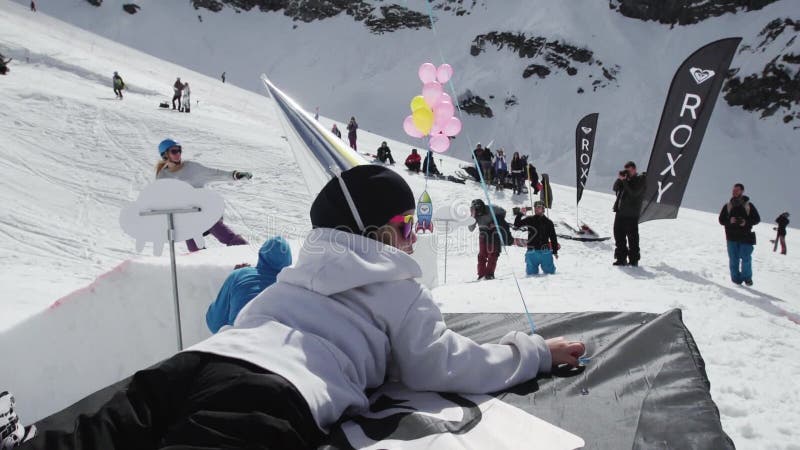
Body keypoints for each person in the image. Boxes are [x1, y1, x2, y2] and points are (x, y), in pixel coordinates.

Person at [11, 165, 585, 450]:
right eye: (408, 225)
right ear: (380, 234)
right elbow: (442, 365)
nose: (415, 237)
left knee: (95, 434)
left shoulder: (302, 266)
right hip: (271, 391)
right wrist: (531, 352)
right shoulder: (399, 287)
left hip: (200, 360)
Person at [155, 138, 251, 252]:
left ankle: (244, 250)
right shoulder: (162, 176)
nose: (178, 154)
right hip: (186, 218)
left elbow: (214, 173)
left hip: (204, 210)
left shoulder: (191, 167)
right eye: (174, 151)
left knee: (218, 229)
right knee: (195, 250)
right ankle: (204, 265)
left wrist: (235, 175)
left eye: (179, 150)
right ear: (165, 155)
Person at [206, 237, 292, 333]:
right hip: (273, 343)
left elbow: (214, 323)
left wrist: (237, 275)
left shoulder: (239, 275)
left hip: (236, 341)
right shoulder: (289, 286)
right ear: (288, 262)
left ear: (261, 254)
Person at [718, 183, 761, 285]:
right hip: (731, 237)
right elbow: (721, 220)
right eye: (733, 190)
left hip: (745, 236)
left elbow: (757, 219)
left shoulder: (748, 206)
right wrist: (730, 221)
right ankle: (736, 280)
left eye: (737, 190)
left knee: (746, 258)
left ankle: (747, 278)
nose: (734, 192)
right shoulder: (728, 206)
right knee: (733, 259)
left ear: (742, 191)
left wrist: (745, 222)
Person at [612, 161, 646, 266]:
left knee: (632, 238)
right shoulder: (625, 180)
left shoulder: (640, 179)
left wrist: (625, 181)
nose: (627, 173)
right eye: (626, 170)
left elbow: (634, 193)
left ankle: (633, 259)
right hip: (620, 212)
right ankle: (621, 258)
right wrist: (620, 179)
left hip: (631, 214)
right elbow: (615, 188)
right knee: (618, 236)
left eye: (629, 170)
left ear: (634, 170)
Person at [514, 201, 559, 275]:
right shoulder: (530, 219)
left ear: (543, 209)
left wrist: (555, 251)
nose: (537, 209)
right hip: (532, 252)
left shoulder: (548, 222)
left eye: (539, 207)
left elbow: (553, 237)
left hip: (545, 252)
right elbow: (517, 225)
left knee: (550, 275)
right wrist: (520, 214)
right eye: (535, 207)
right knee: (531, 276)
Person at [468, 198, 505, 280]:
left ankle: (489, 274)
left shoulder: (491, 209)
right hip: (483, 234)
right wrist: (472, 216)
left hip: (493, 233)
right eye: (475, 210)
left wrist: (495, 223)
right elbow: (470, 228)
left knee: (493, 254)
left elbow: (503, 212)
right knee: (482, 255)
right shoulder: (474, 214)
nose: (478, 213)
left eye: (478, 210)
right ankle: (481, 274)